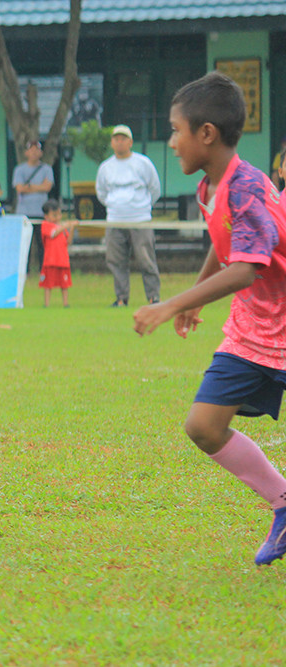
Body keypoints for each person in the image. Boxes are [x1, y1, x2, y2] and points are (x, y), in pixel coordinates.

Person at [133, 71, 286, 566]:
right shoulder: (210, 186)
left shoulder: (247, 187)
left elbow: (246, 267)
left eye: (175, 130)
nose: (171, 141)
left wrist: (172, 304)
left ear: (206, 133)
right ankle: (284, 504)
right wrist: (197, 297)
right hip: (254, 328)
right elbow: (225, 245)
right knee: (203, 425)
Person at [95, 124, 162, 307]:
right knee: (116, 261)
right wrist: (115, 206)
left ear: (130, 142)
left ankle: (153, 297)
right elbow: (101, 193)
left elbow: (154, 189)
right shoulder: (106, 167)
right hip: (115, 220)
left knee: (146, 259)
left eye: (123, 139)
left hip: (140, 220)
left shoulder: (143, 163)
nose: (119, 142)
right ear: (112, 143)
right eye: (116, 139)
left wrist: (142, 207)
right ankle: (121, 298)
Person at [13, 139, 54, 271]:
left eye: (37, 150)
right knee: (25, 243)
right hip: (24, 212)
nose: (34, 153)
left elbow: (47, 187)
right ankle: (25, 271)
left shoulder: (47, 169)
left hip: (41, 212)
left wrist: (30, 187)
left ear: (41, 152)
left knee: (42, 243)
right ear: (26, 152)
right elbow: (19, 188)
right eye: (31, 150)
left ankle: (43, 270)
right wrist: (39, 187)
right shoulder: (19, 170)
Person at [39, 198, 76, 307]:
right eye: (54, 215)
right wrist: (64, 226)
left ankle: (65, 303)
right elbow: (53, 233)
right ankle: (46, 304)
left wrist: (72, 228)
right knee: (48, 285)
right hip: (50, 261)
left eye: (59, 214)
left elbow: (68, 242)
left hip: (63, 260)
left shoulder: (62, 228)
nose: (58, 218)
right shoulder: (45, 225)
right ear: (46, 216)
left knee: (64, 284)